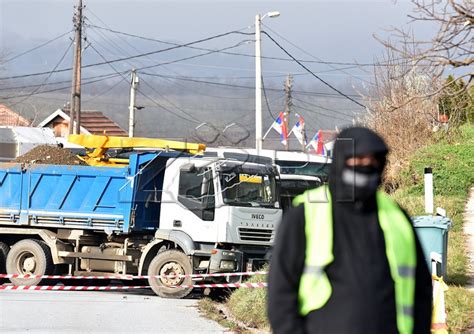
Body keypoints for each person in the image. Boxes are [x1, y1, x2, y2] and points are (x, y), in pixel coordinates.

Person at [267, 127, 432, 334]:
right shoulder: (305, 215)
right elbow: (281, 294)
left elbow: (421, 291)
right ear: (340, 161)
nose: (366, 168)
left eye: (373, 162)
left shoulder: (397, 217)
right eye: (357, 161)